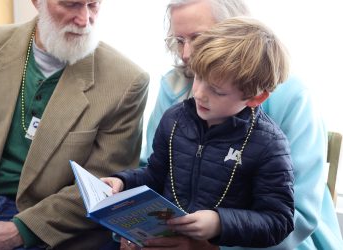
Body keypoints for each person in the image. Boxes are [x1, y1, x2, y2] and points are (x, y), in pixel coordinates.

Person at [0, 0, 149, 249]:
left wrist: (20, 230)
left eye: (93, 5)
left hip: (52, 225)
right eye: (71, 4)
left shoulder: (126, 81)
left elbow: (100, 186)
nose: (85, 20)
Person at [140, 0, 343, 249]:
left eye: (199, 38)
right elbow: (154, 170)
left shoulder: (293, 97)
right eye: (179, 40)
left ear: (236, 28)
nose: (186, 54)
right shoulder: (174, 86)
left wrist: (212, 245)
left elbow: (295, 216)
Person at [104, 16, 295, 249]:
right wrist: (122, 182)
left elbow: (279, 221)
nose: (199, 94)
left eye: (217, 91)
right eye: (198, 77)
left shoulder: (269, 145)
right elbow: (155, 176)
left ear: (256, 97)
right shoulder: (174, 120)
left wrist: (219, 223)